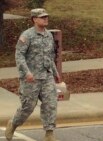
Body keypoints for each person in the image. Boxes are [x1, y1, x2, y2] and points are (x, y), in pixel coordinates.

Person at [5, 8, 60, 141]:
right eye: (42, 17)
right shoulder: (27, 35)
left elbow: (50, 56)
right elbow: (19, 55)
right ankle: (13, 124)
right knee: (28, 107)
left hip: (46, 76)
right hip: (31, 78)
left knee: (51, 103)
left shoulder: (48, 35)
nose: (45, 19)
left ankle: (49, 133)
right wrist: (27, 72)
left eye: (46, 16)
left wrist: (55, 72)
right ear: (34, 19)